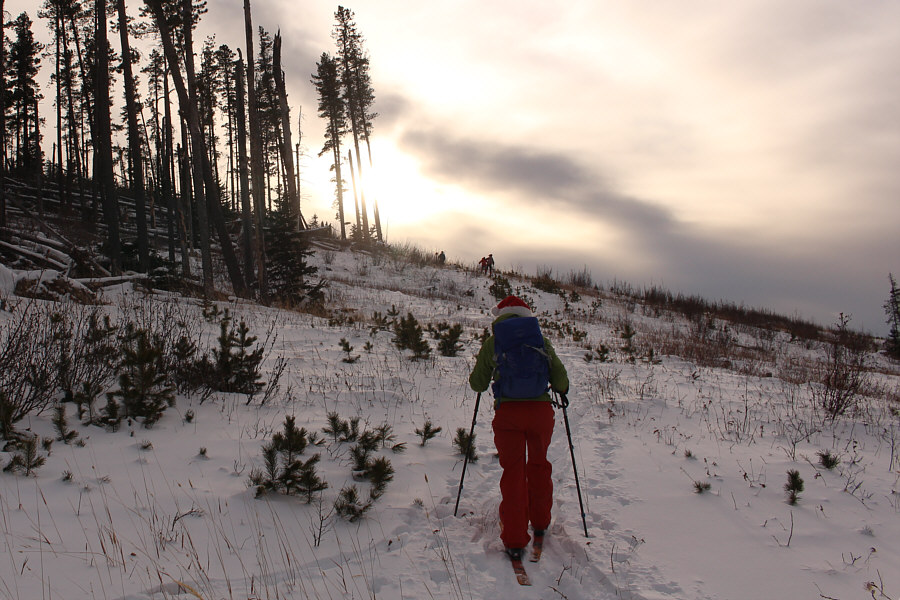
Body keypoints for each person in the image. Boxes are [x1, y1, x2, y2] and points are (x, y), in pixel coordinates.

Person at [468, 295, 569, 560]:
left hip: (509, 415)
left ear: (499, 316)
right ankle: (540, 522)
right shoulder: (540, 340)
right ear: (526, 314)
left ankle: (514, 539)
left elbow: (477, 384)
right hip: (540, 414)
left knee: (513, 472)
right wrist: (559, 388)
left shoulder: (494, 341)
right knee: (539, 465)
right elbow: (560, 378)